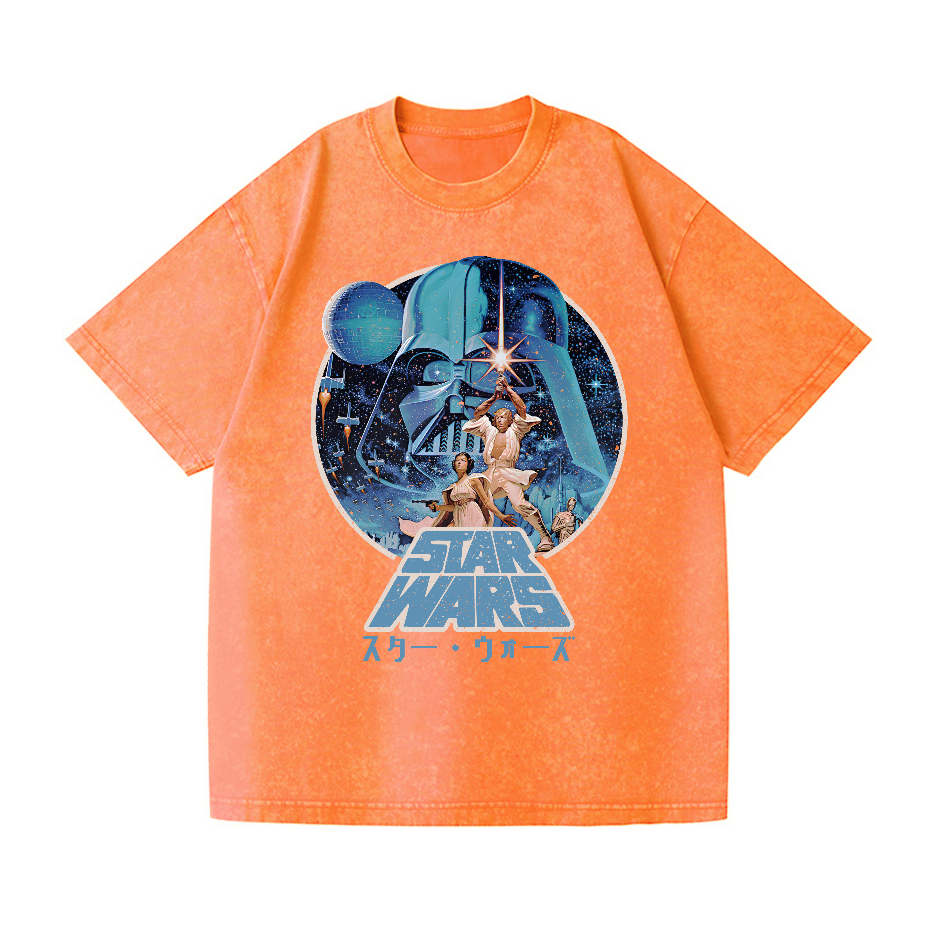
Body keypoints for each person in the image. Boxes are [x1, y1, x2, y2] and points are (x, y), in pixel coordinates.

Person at [460, 376, 555, 553]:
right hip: (490, 474)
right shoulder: (488, 430)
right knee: (471, 500)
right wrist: (495, 397)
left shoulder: (516, 430)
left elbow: (522, 408)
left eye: (504, 417)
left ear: (510, 420)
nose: (500, 420)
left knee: (519, 505)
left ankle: (545, 537)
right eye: (497, 418)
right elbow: (478, 414)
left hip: (507, 473)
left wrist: (507, 388)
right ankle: (474, 540)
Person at [398, 452, 515, 537]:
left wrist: (501, 516)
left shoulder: (473, 480)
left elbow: (486, 500)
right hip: (459, 516)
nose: (459, 462)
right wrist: (438, 507)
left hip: (473, 515)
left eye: (463, 460)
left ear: (468, 464)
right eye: (457, 460)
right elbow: (453, 507)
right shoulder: (452, 487)